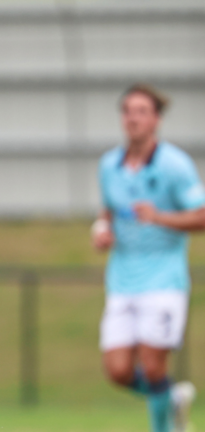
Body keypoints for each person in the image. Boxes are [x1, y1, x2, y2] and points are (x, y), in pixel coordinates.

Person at [92, 83, 199, 432]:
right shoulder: (110, 165)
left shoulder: (175, 165)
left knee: (154, 368)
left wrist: (159, 217)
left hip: (163, 279)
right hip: (122, 280)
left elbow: (201, 215)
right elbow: (108, 209)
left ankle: (165, 426)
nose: (133, 118)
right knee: (118, 371)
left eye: (142, 111)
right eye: (128, 111)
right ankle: (173, 399)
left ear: (155, 120)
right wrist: (102, 229)